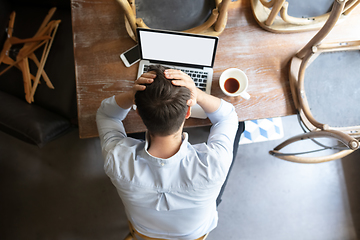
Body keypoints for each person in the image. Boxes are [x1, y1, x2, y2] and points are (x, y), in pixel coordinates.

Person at [96, 65, 244, 239]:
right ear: (188, 111)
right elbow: (228, 116)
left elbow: (107, 114)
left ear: (139, 114)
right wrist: (198, 93)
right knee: (239, 126)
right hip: (194, 235)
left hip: (144, 233)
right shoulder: (215, 164)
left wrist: (131, 95)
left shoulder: (117, 161)